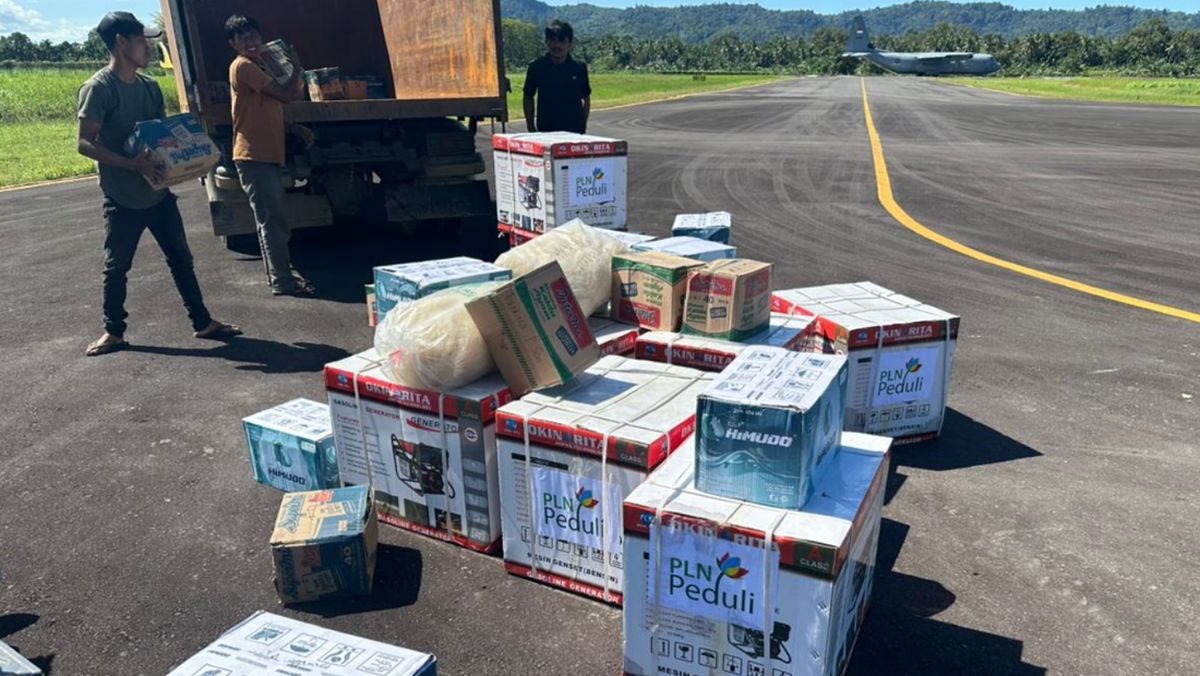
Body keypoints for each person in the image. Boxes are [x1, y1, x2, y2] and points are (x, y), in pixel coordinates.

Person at [77, 11, 241, 357]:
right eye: (141, 40)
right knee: (116, 267)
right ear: (121, 42)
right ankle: (114, 332)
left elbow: (161, 135)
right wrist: (132, 165)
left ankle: (202, 322)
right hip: (122, 197)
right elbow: (85, 143)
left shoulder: (150, 87)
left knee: (181, 259)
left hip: (158, 193)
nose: (148, 47)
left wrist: (187, 160)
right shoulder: (99, 89)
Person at [225, 14, 316, 296]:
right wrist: (296, 66)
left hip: (264, 155)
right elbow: (285, 95)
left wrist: (293, 127)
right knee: (273, 221)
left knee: (271, 219)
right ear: (233, 44)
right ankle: (282, 281)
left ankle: (281, 276)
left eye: (254, 36)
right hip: (254, 156)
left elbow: (266, 107)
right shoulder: (244, 66)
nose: (251, 42)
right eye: (243, 38)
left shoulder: (256, 67)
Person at [523, 20, 591, 134]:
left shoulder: (579, 68)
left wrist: (583, 126)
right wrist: (530, 127)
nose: (556, 45)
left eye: (561, 40)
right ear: (546, 42)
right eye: (552, 40)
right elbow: (528, 96)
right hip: (546, 131)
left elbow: (586, 98)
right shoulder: (536, 67)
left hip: (574, 132)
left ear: (570, 43)